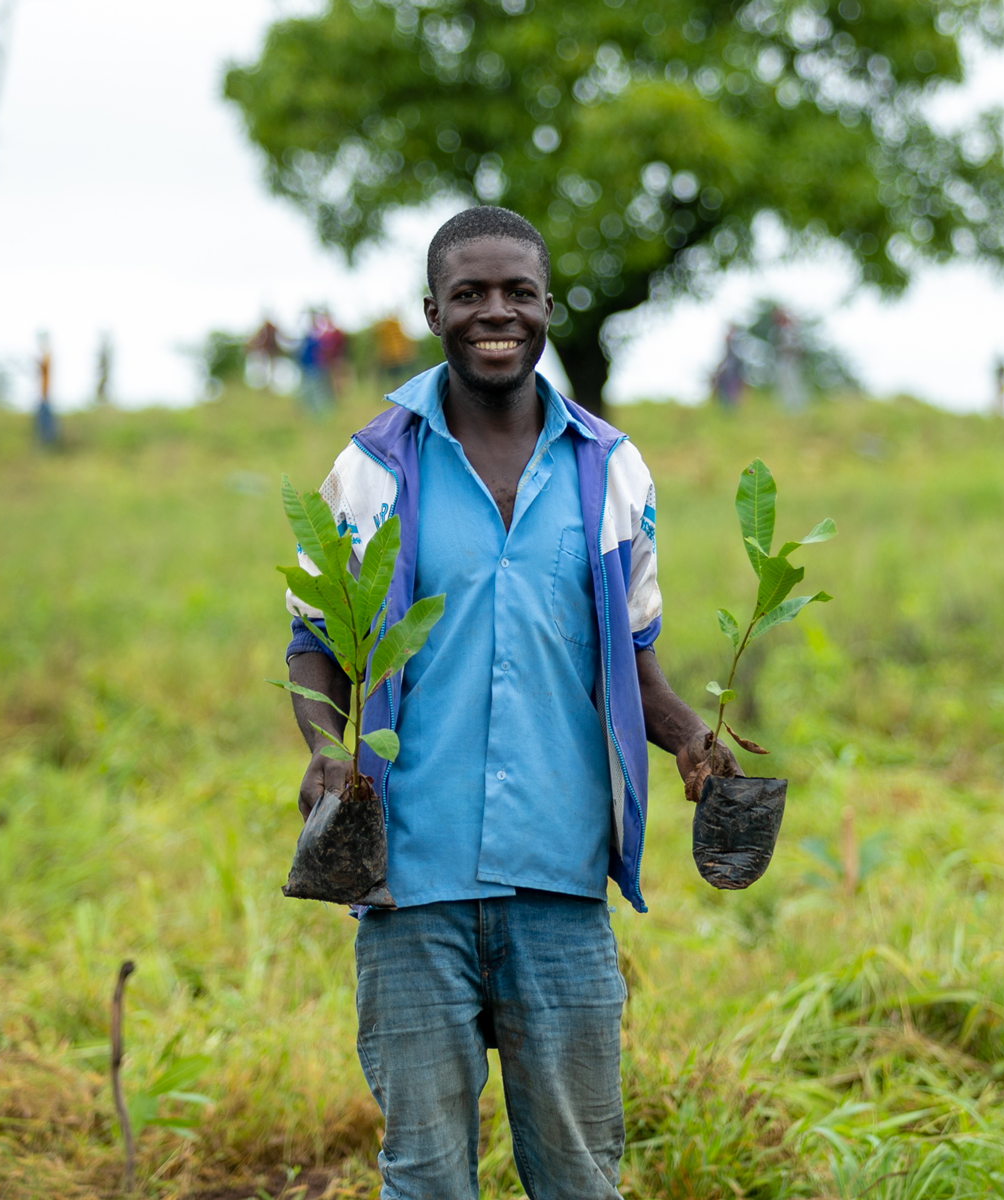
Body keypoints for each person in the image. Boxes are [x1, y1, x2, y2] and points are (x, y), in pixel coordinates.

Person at [282, 206, 737, 1200]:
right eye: (473, 294)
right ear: (434, 310)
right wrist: (322, 746)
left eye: (519, 293)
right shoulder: (371, 469)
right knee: (427, 1175)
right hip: (409, 884)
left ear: (545, 309)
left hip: (560, 884)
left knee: (579, 1173)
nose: (498, 312)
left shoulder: (611, 471)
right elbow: (317, 647)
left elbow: (633, 663)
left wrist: (693, 740)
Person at [712, 323, 745, 411]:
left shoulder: (738, 342)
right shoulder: (729, 345)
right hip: (727, 374)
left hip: (734, 373)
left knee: (733, 394)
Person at [33, 332, 58, 446]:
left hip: (45, 397)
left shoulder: (47, 357)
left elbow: (44, 366)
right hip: (43, 396)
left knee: (45, 425)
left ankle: (48, 444)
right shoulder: (46, 357)